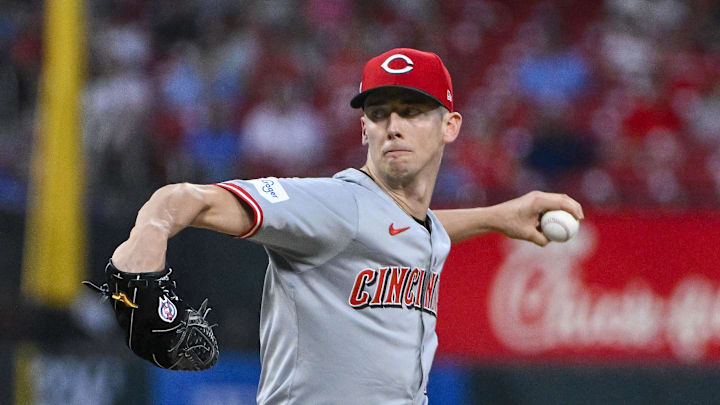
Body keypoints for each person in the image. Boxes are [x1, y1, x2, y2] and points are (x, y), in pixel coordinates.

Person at [111, 48, 583, 404]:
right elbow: (182, 199)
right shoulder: (334, 205)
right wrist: (145, 245)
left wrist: (497, 217)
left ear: (450, 125)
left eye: (413, 111)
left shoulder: (408, 224)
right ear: (363, 130)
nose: (393, 125)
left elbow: (408, 229)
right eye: (378, 114)